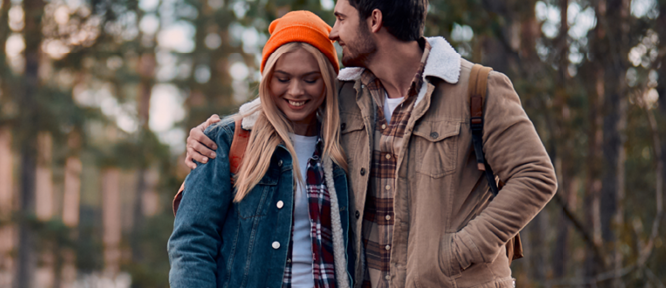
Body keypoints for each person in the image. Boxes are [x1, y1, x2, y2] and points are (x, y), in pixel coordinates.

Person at [184, 0, 558, 287]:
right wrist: (211, 136)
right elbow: (274, 109)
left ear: (374, 21)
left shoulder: (477, 89)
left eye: (341, 18)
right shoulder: (346, 96)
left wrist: (459, 250)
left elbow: (536, 176)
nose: (333, 31)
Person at [168, 11, 359, 288]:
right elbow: (192, 243)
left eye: (310, 79)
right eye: (283, 78)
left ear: (329, 80)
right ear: (267, 79)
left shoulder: (345, 145)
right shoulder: (224, 140)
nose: (296, 91)